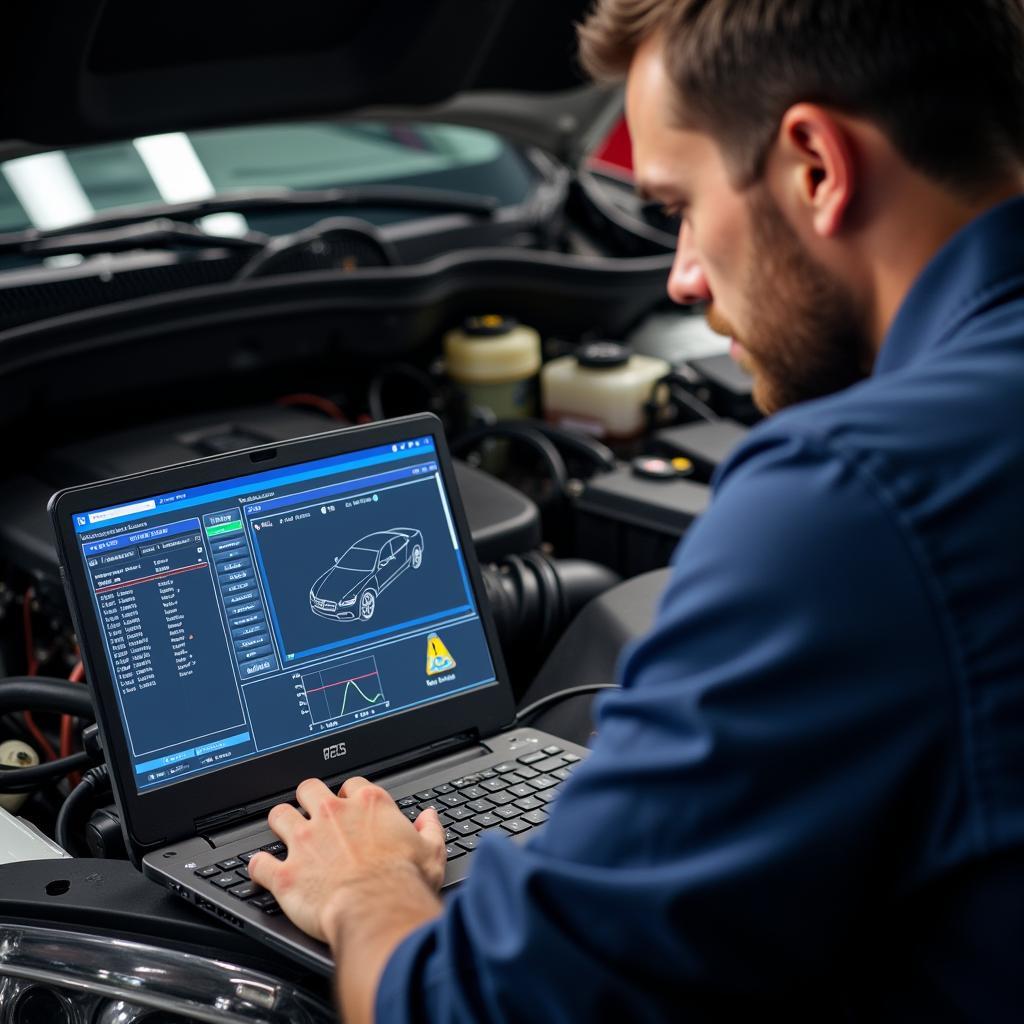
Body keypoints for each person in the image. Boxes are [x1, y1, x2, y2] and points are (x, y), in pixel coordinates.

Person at [249, 2, 1024, 1019]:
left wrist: (366, 887)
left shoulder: (851, 496)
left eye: (679, 206)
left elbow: (488, 1009)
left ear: (817, 167)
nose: (682, 275)